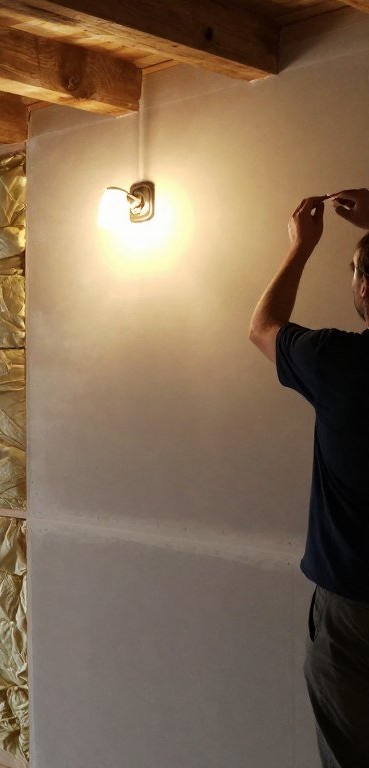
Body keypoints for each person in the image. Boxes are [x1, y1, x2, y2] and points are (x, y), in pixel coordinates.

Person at [249, 188, 369, 767]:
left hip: (353, 616)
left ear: (364, 289)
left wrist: (302, 247)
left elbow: (264, 326)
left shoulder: (337, 363)